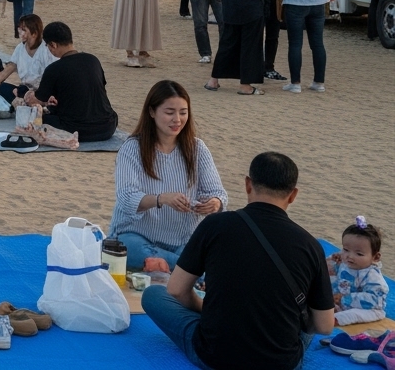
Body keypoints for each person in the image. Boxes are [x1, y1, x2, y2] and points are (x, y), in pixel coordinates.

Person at [142, 152, 334, 370]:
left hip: (215, 355)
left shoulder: (214, 225)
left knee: (153, 295)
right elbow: (325, 326)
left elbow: (176, 290)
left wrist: (203, 308)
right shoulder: (310, 245)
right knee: (306, 314)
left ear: (248, 184)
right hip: (279, 363)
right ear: (293, 195)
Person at [110, 80, 227, 270]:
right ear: (152, 112)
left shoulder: (197, 149)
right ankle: (190, 270)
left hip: (182, 242)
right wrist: (162, 199)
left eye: (183, 112)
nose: (177, 120)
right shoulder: (132, 148)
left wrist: (214, 203)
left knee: (213, 250)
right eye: (169, 112)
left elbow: (218, 193)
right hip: (136, 237)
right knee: (128, 249)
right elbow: (126, 198)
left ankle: (178, 266)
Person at [26, 22, 119, 142]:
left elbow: (39, 99)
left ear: (53, 45)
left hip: (77, 129)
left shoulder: (54, 68)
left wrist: (27, 95)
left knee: (38, 118)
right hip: (107, 127)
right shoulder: (93, 60)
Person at [328, 218, 388, 326]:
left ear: (375, 257)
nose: (350, 256)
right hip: (341, 301)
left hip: (369, 309)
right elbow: (329, 272)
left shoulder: (372, 276)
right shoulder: (345, 262)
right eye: (346, 250)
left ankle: (335, 319)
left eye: (359, 254)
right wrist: (333, 260)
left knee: (354, 314)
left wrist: (345, 299)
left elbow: (376, 300)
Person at [0, 14, 54, 103]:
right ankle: (21, 101)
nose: (20, 32)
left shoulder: (46, 50)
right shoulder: (20, 48)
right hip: (24, 89)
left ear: (34, 34)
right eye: (20, 29)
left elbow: (52, 79)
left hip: (42, 93)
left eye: (24, 30)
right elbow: (11, 66)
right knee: (2, 88)